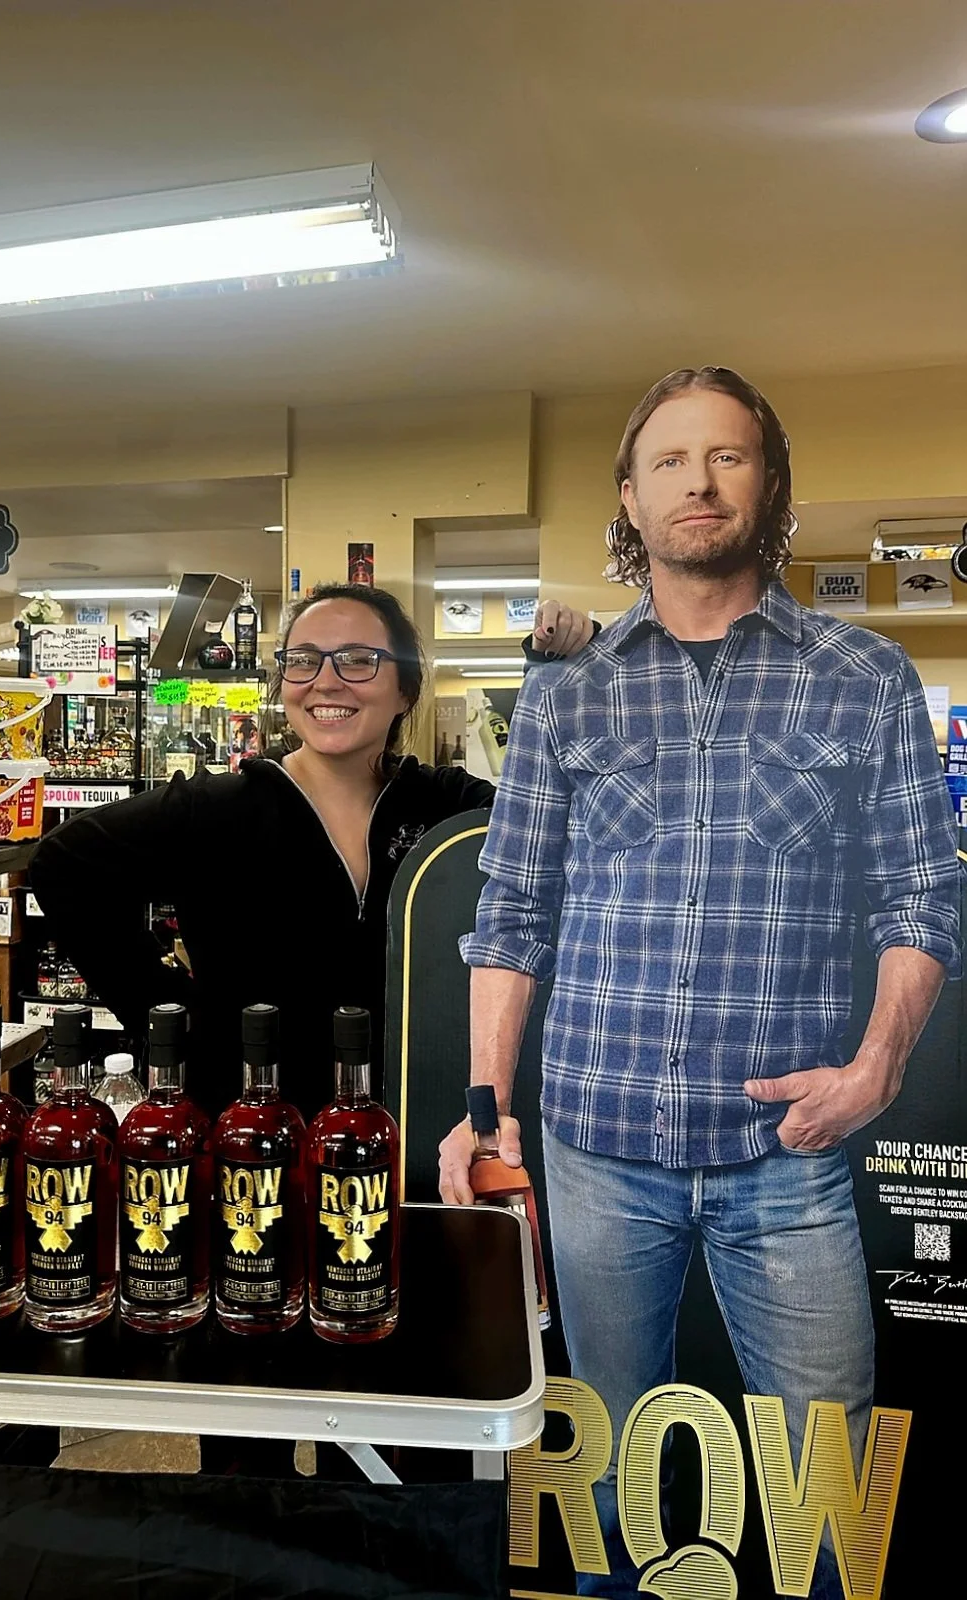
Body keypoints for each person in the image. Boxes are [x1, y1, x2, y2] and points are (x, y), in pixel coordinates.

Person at [438, 366, 961, 1598]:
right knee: (608, 1479)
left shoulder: (863, 675)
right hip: (595, 1148)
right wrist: (481, 1105)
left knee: (821, 1490)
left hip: (786, 1153)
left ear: (766, 482)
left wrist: (876, 1065)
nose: (697, 481)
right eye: (669, 460)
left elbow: (918, 896)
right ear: (629, 494)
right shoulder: (569, 688)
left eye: (725, 456)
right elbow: (509, 911)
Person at [30, 582, 593, 1120]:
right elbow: (63, 865)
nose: (327, 681)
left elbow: (568, 822)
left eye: (357, 659)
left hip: (417, 1126)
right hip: (252, 1135)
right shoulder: (217, 807)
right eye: (304, 660)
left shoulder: (444, 805)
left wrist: (569, 671)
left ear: (405, 690)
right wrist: (172, 1016)